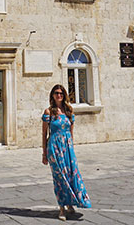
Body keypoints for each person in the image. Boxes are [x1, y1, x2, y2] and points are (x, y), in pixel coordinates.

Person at [42, 84, 91, 220]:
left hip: (68, 148)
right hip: (54, 147)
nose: (59, 95)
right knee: (59, 178)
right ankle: (62, 208)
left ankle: (71, 204)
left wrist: (72, 149)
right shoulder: (48, 112)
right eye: (57, 93)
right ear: (52, 95)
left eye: (61, 93)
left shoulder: (69, 111)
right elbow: (44, 133)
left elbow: (71, 132)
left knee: (71, 175)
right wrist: (44, 153)